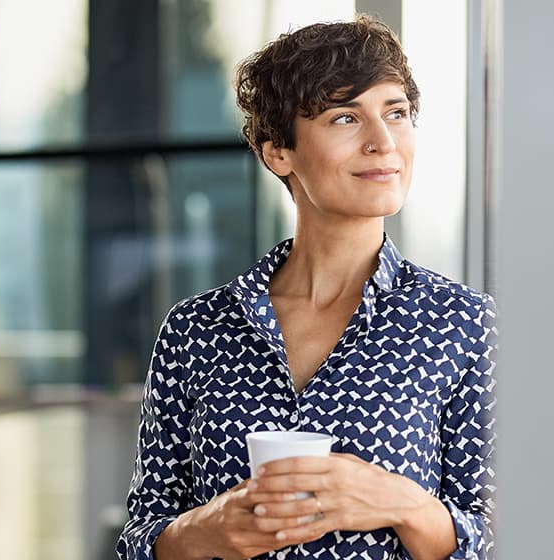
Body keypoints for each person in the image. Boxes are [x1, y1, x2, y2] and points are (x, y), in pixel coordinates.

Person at [116, 15, 497, 560]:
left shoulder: (464, 324)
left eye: (397, 113)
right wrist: (206, 529)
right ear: (279, 152)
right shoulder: (196, 330)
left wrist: (404, 504)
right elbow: (139, 538)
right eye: (346, 117)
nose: (383, 142)